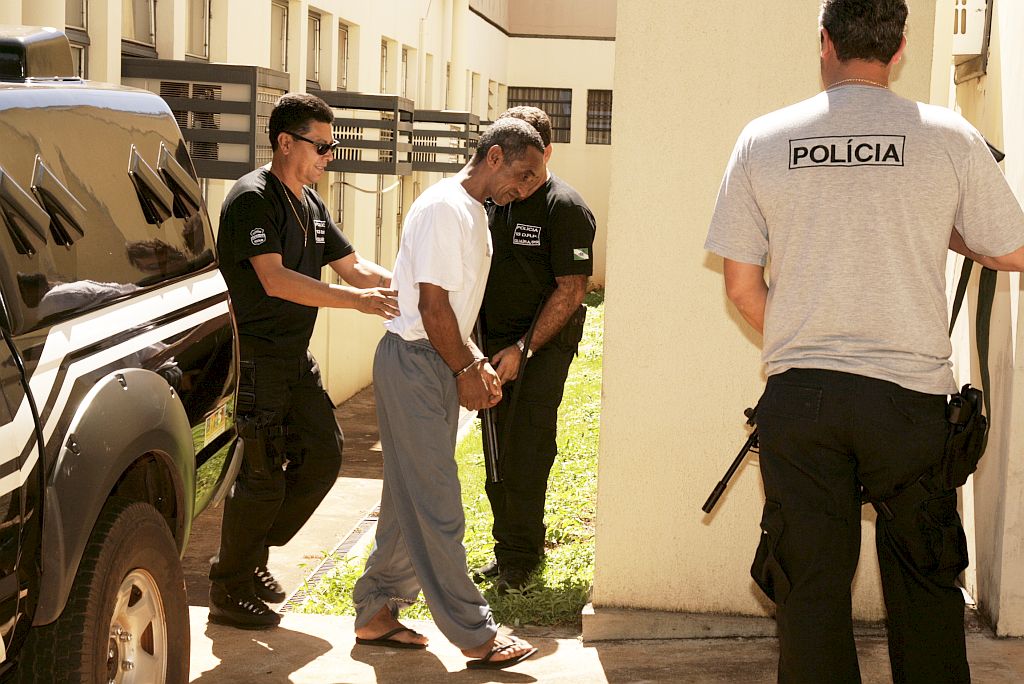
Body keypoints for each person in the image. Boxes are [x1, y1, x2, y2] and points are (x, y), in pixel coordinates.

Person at [704, 1, 1024, 682]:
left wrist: (807, 339)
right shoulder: (948, 136)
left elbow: (740, 286)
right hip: (912, 404)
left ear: (824, 40)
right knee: (926, 588)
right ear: (901, 45)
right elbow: (1014, 249)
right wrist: (947, 228)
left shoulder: (764, 138)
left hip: (804, 401)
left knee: (810, 595)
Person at [351, 118, 545, 670]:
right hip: (416, 361)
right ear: (494, 158)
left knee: (406, 495)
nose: (526, 188)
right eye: (523, 174)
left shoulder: (475, 212)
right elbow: (433, 308)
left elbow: (455, 313)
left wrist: (469, 362)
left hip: (435, 360)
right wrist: (465, 368)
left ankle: (375, 609)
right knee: (437, 502)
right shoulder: (444, 208)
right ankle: (474, 632)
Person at [210, 93, 398, 629]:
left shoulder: (311, 206)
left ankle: (247, 556)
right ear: (285, 142)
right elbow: (274, 279)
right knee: (264, 474)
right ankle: (231, 584)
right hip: (256, 360)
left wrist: (413, 284)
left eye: (331, 147)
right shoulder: (252, 198)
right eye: (321, 145)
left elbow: (355, 265)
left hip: (293, 360)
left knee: (323, 456)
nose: (328, 157)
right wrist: (358, 303)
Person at [472, 106, 596, 591]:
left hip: (540, 349)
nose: (522, 182)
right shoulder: (493, 198)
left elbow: (572, 289)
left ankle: (523, 557)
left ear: (545, 153)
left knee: (527, 445)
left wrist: (522, 350)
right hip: (490, 347)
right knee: (497, 447)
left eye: (532, 169)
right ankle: (508, 549)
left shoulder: (564, 207)